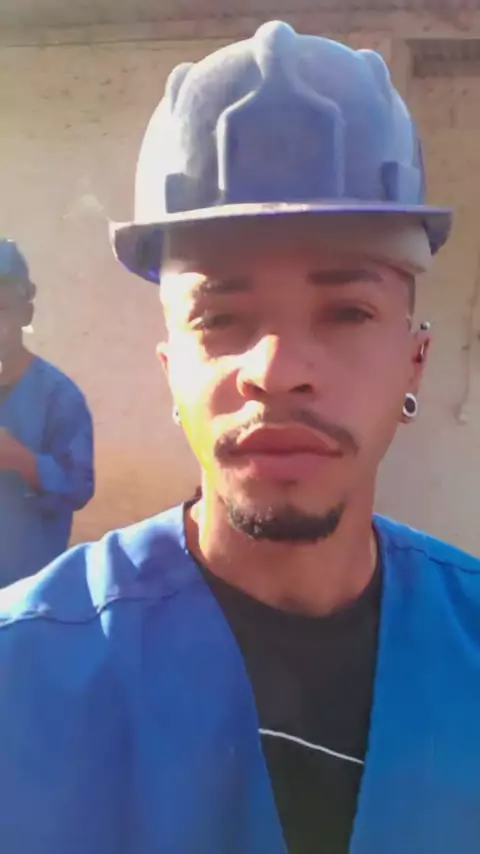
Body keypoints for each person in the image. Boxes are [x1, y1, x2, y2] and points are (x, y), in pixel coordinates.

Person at [0, 22, 479, 854]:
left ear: (415, 360)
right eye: (220, 317)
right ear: (169, 369)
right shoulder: (23, 675)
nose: (277, 370)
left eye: (347, 311)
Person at [0, 239, 94, 586]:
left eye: (1, 309)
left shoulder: (58, 396)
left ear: (26, 314)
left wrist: (22, 461)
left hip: (25, 591)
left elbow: (79, 488)